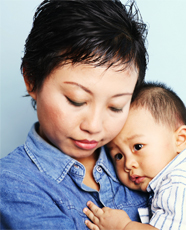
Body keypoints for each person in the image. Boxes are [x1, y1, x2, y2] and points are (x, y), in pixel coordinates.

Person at [0, 0, 150, 229]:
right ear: (31, 79)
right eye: (76, 100)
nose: (94, 126)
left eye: (116, 106)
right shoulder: (13, 181)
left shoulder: (143, 157)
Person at [83, 82, 186, 230]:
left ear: (180, 139)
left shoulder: (180, 185)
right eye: (118, 156)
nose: (128, 164)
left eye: (138, 147)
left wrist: (123, 226)